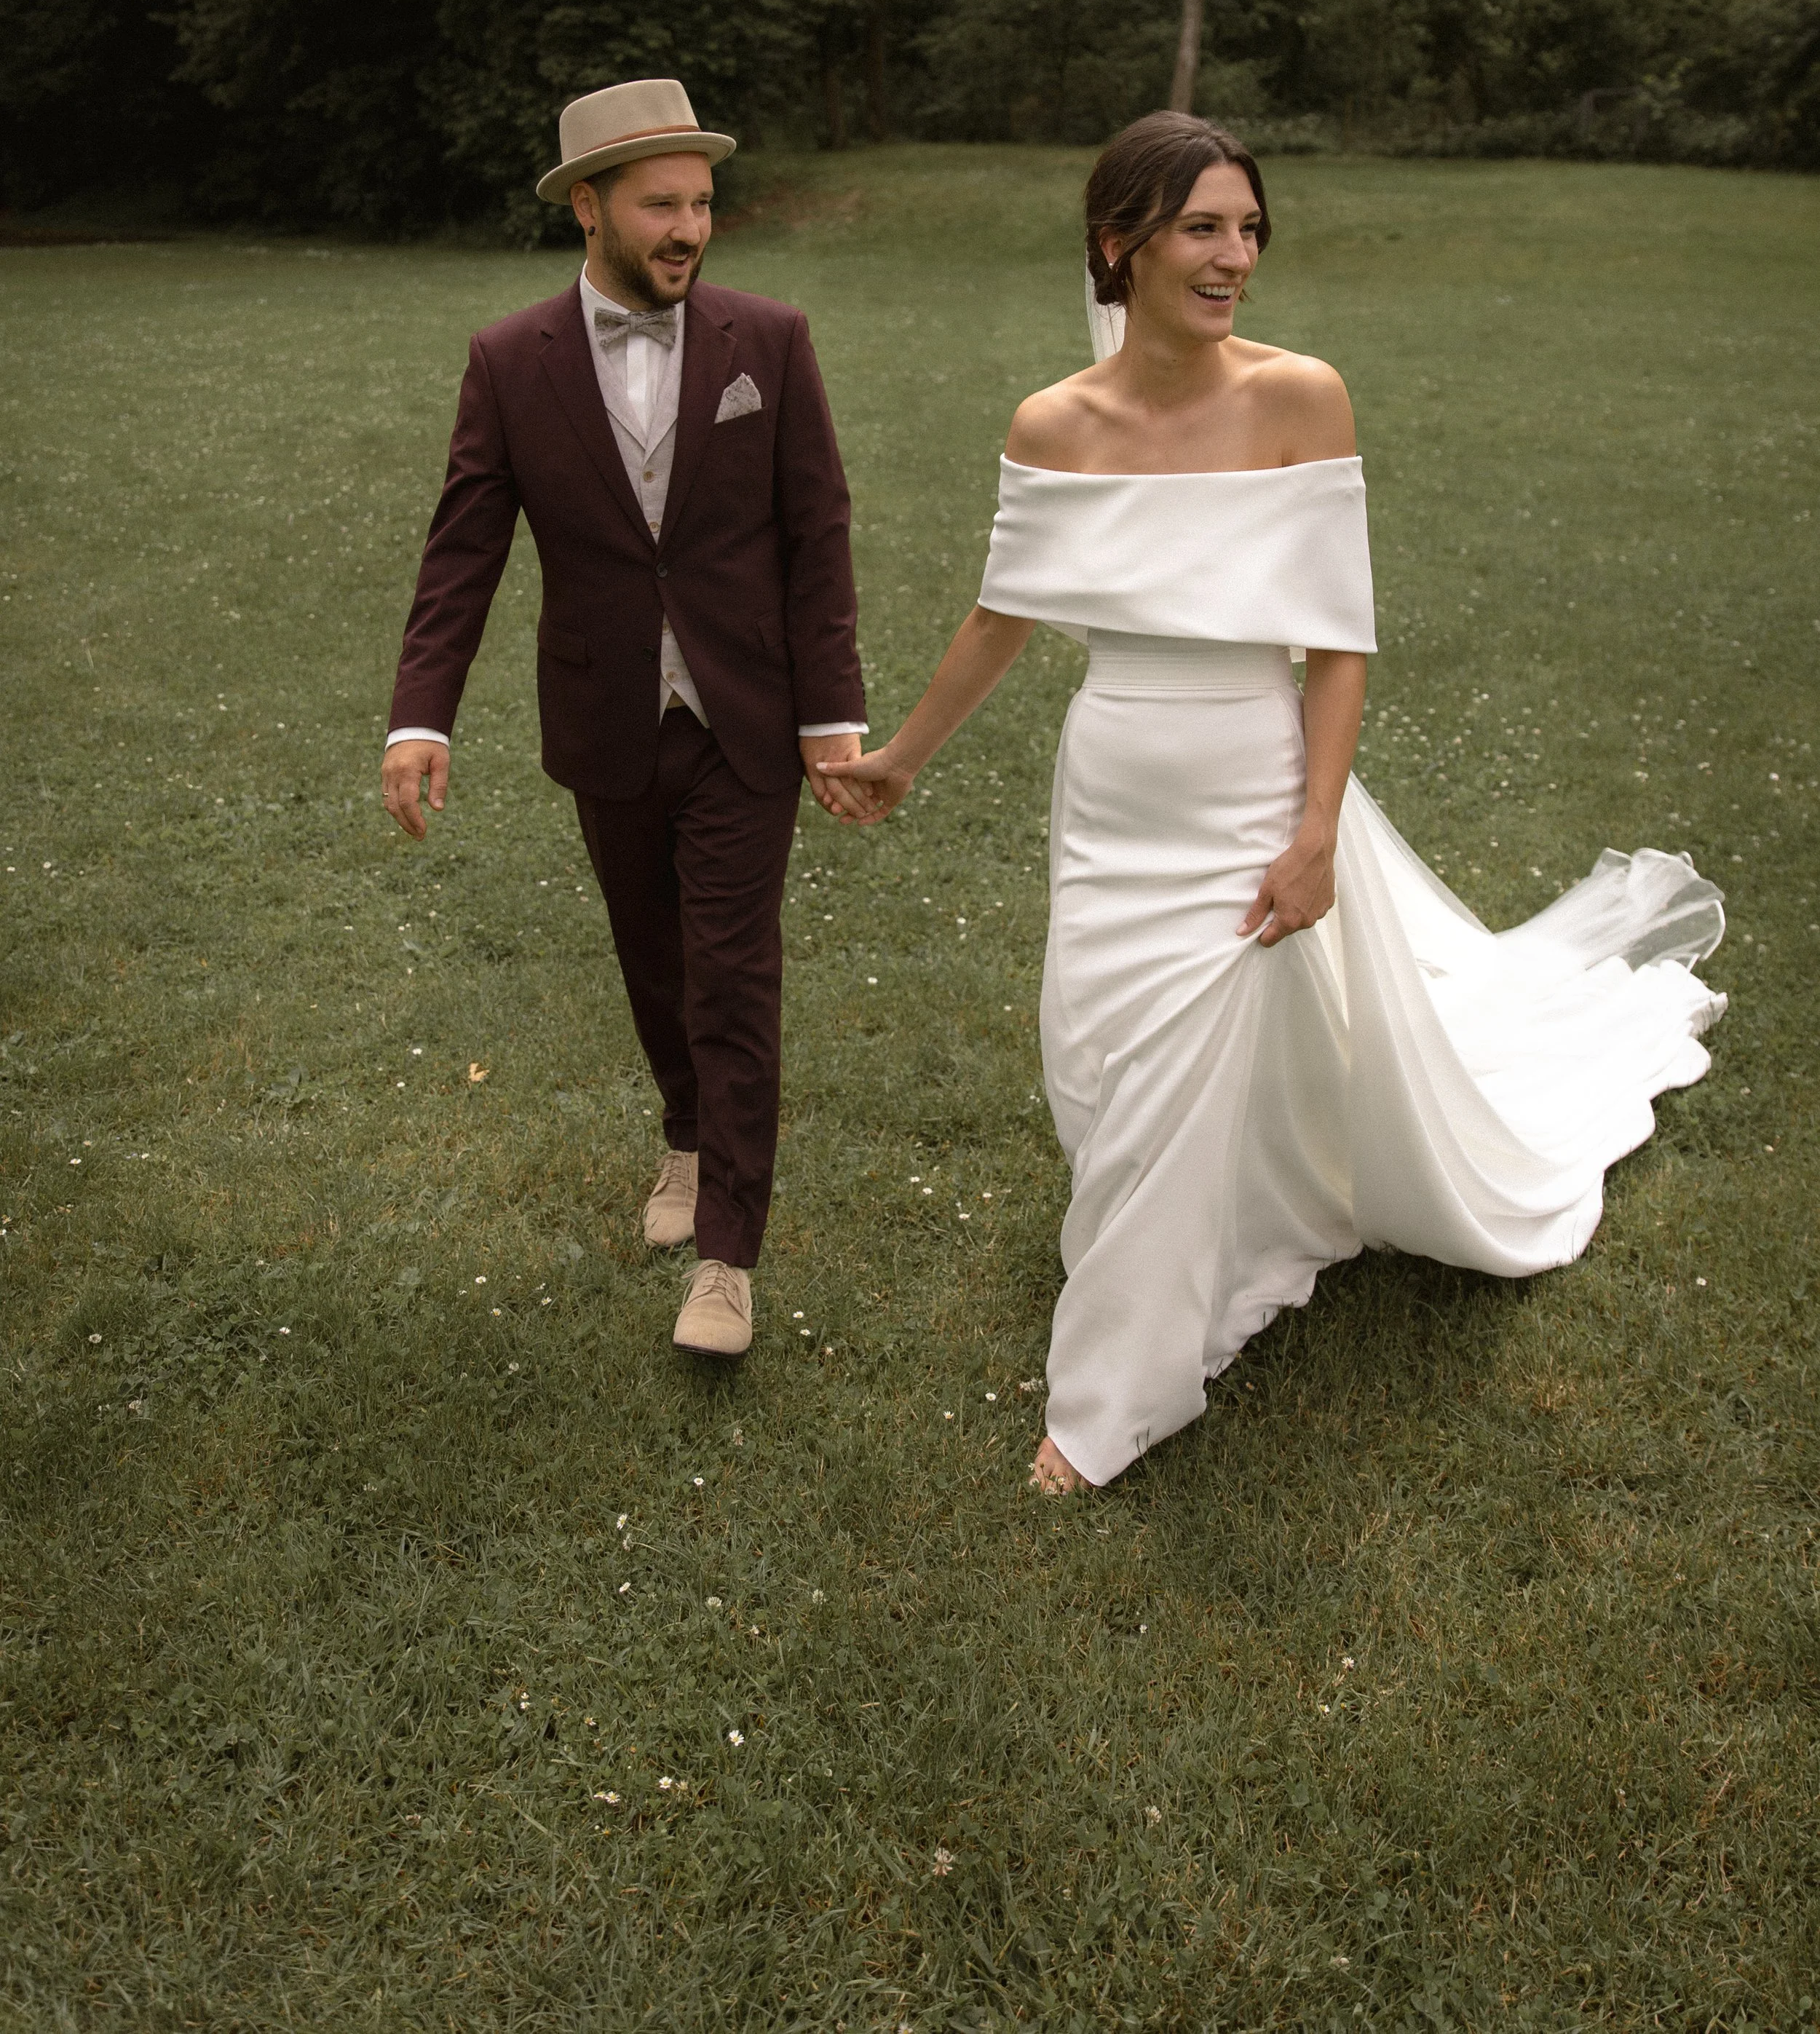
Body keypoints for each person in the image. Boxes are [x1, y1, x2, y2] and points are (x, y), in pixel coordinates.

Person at [820, 111, 1725, 1492]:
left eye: (1249, 228)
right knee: (1104, 1064)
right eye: (1203, 228)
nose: (1235, 254)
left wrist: (1315, 832)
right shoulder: (1051, 423)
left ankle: (1115, 1400)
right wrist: (906, 755)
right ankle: (1224, 1219)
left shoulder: (1304, 397)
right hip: (1112, 791)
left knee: (1188, 1056)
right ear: (1119, 244)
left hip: (1250, 784)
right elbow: (1004, 615)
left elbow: (1339, 639)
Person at [382, 79, 868, 1358]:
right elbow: (464, 549)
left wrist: (833, 713)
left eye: (703, 202)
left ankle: (727, 1254)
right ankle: (686, 1132)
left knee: (734, 965)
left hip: (747, 714)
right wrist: (419, 715)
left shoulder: (770, 341)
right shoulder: (509, 360)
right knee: (653, 954)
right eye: (662, 202)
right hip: (607, 716)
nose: (690, 226)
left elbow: (818, 533)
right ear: (588, 206)